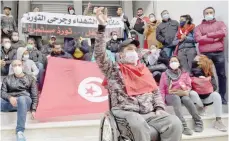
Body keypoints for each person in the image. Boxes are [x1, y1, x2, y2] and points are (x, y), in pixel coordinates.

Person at [94, 7, 182, 141]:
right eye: (130, 50)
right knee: (138, 123)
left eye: (135, 50)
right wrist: (101, 26)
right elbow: (100, 55)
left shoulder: (144, 70)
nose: (134, 53)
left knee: (174, 123)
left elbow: (155, 92)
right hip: (125, 112)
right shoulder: (113, 69)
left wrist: (159, 107)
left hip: (149, 113)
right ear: (121, 54)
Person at [159, 56, 203, 135]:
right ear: (169, 64)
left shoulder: (184, 73)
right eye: (171, 61)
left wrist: (186, 91)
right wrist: (162, 104)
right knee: (176, 98)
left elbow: (189, 85)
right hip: (170, 95)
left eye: (175, 61)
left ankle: (198, 122)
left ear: (179, 63)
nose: (173, 63)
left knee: (186, 99)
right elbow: (161, 90)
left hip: (182, 93)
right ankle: (183, 126)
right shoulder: (164, 74)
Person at [194, 7, 227, 105]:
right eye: (207, 13)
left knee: (222, 75)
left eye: (211, 12)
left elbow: (223, 32)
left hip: (218, 52)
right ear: (204, 15)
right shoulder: (199, 27)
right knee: (204, 75)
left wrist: (207, 35)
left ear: (214, 13)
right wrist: (214, 38)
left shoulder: (220, 24)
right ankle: (208, 97)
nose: (209, 14)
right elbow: (198, 38)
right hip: (205, 54)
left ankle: (222, 97)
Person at [1, 60, 38, 141]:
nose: (17, 67)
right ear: (12, 67)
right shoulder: (7, 79)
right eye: (14, 65)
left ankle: (20, 131)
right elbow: (3, 93)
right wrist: (9, 98)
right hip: (11, 102)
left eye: (19, 65)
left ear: (23, 66)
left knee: (21, 99)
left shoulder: (31, 78)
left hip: (25, 100)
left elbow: (34, 95)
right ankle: (18, 107)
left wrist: (34, 109)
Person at [189, 55, 227, 132]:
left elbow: (215, 87)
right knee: (192, 93)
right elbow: (188, 87)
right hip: (197, 100)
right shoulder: (191, 74)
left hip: (207, 98)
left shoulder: (209, 73)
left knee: (216, 95)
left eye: (198, 60)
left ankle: (218, 120)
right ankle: (201, 108)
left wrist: (205, 82)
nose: (196, 61)